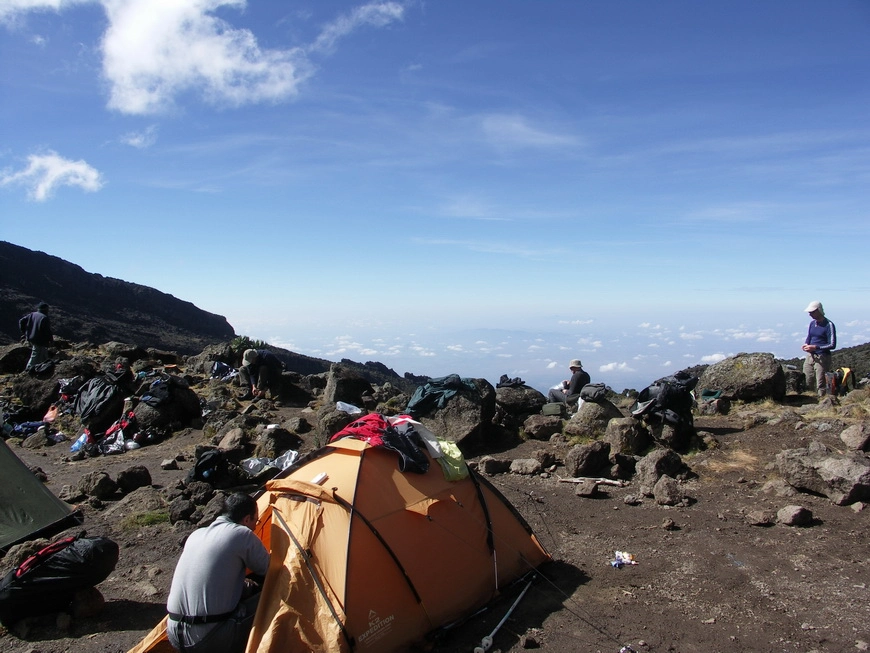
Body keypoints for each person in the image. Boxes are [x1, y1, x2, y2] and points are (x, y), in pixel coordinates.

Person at [166, 492, 270, 653]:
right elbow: (272, 571)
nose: (256, 526)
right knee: (275, 597)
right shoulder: (241, 534)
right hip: (210, 639)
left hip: (173, 635)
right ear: (247, 519)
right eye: (256, 520)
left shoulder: (196, 534)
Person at [801, 300, 836, 396]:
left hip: (822, 357)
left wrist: (816, 347)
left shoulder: (829, 325)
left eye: (812, 312)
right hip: (810, 356)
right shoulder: (812, 323)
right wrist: (806, 344)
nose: (810, 314)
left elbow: (832, 344)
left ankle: (823, 403)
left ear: (818, 311)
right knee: (807, 380)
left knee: (821, 384)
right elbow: (810, 336)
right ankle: (809, 400)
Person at [18, 302, 53, 372]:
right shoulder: (44, 318)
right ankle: (28, 369)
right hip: (39, 340)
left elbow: (21, 321)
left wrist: (25, 332)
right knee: (35, 354)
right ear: (46, 309)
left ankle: (44, 366)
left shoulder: (32, 314)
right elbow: (47, 331)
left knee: (42, 353)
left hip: (31, 338)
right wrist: (51, 340)